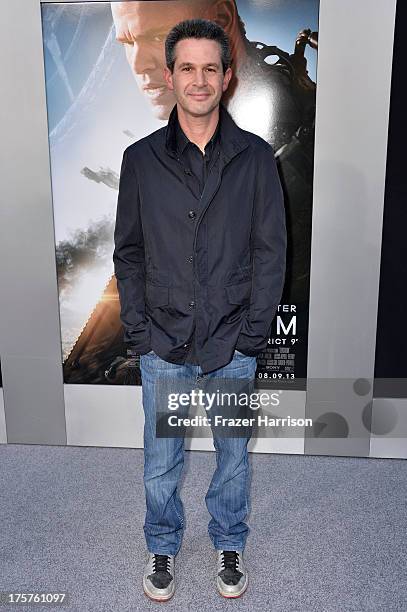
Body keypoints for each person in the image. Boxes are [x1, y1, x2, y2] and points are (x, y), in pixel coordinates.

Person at [113, 18, 286, 601]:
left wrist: (251, 337)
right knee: (162, 462)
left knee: (233, 458)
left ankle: (229, 540)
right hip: (163, 341)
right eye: (187, 67)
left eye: (211, 67)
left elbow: (271, 253)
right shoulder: (139, 161)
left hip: (231, 341)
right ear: (171, 75)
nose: (199, 79)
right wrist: (139, 332)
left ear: (227, 76)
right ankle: (162, 548)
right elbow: (129, 252)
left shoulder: (257, 160)